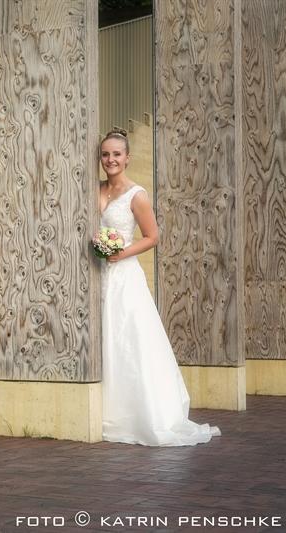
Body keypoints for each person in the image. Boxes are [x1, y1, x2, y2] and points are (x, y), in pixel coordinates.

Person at [98, 127, 220, 446]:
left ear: (127, 158)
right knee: (104, 339)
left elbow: (153, 237)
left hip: (123, 275)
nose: (110, 159)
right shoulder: (95, 189)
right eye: (106, 154)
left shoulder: (136, 195)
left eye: (116, 154)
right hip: (98, 275)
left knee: (127, 339)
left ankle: (137, 413)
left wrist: (121, 252)